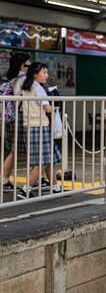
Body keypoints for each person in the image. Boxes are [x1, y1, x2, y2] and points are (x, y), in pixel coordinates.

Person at [19, 62, 62, 198]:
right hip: (40, 126)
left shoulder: (27, 87)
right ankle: (26, 190)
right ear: (35, 74)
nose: (47, 75)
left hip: (30, 126)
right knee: (42, 161)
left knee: (48, 159)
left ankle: (55, 187)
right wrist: (56, 106)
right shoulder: (38, 88)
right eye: (44, 72)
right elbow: (48, 109)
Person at [2, 52, 30, 192]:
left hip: (13, 117)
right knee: (21, 150)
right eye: (29, 64)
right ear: (23, 65)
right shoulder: (23, 79)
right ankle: (5, 180)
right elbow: (25, 97)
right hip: (21, 117)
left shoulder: (13, 78)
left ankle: (5, 180)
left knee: (15, 151)